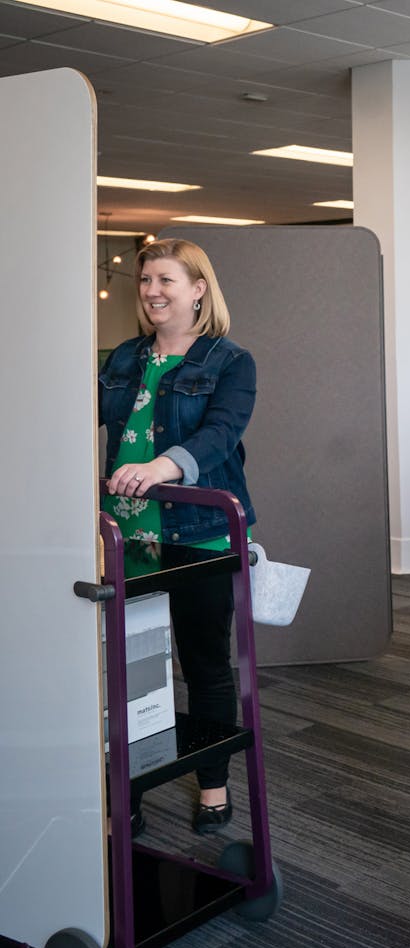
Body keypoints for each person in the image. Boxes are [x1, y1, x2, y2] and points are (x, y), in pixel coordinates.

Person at [99, 238, 256, 837]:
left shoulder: (228, 360)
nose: (152, 291)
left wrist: (161, 468)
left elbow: (220, 434)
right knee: (133, 671)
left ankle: (213, 787)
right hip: (125, 537)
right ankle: (131, 786)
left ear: (198, 289)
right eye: (145, 281)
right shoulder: (124, 357)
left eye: (166, 280)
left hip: (198, 534)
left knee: (205, 663)